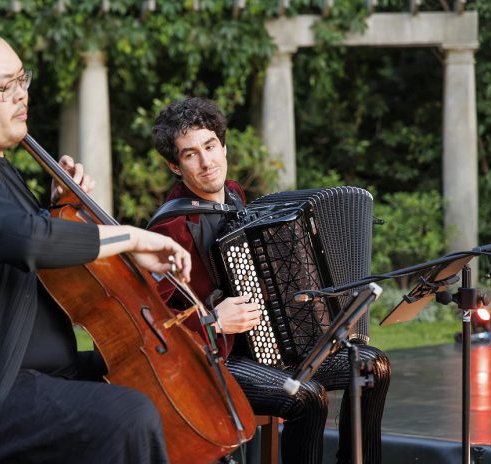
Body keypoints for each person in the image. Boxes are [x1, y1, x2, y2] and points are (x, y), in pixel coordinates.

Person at [0, 24, 193, 464]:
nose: (20, 95)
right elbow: (28, 242)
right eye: (3, 86)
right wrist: (132, 237)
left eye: (21, 79)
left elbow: (8, 237)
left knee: (154, 375)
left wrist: (57, 207)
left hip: (27, 371)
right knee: (128, 414)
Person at [148, 97, 391, 464]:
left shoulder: (234, 195)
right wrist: (212, 321)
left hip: (269, 348)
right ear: (174, 166)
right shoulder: (169, 229)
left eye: (211, 146)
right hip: (215, 359)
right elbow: (152, 324)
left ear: (224, 146)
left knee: (373, 366)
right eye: (190, 154)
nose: (206, 161)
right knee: (307, 396)